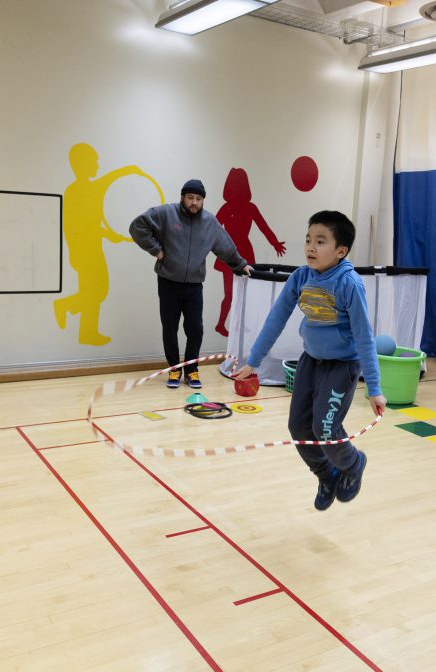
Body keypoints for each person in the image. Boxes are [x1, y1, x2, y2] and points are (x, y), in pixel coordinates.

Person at [233, 210, 386, 511]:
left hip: (342, 367)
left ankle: (353, 463)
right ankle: (326, 474)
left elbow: (364, 337)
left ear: (341, 251)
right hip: (310, 362)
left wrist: (375, 387)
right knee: (298, 428)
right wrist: (254, 361)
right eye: (308, 240)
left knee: (325, 429)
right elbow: (276, 318)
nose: (310, 247)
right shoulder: (301, 277)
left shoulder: (349, 284)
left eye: (320, 241)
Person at [130, 179, 253, 389]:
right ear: (182, 198)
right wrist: (156, 250)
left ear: (203, 200)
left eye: (198, 199)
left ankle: (192, 369)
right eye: (190, 198)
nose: (194, 202)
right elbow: (137, 226)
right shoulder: (166, 214)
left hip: (194, 286)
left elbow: (226, 247)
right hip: (168, 282)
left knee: (195, 329)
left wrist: (241, 265)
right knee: (170, 327)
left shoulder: (209, 222)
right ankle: (174, 368)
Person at [54, 143, 162, 345]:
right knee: (95, 290)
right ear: (82, 164)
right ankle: (71, 312)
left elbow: (107, 180)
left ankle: (82, 325)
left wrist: (129, 170)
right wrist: (104, 234)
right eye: (93, 161)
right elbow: (75, 226)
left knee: (96, 290)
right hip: (82, 250)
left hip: (91, 246)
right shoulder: (77, 190)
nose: (97, 165)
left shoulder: (87, 187)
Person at [213, 168, 286, 337]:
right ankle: (221, 324)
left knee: (243, 294)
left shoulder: (248, 207)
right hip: (229, 253)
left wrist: (275, 243)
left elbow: (263, 227)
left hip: (243, 254)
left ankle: (238, 324)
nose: (236, 191)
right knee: (231, 294)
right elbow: (212, 228)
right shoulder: (228, 208)